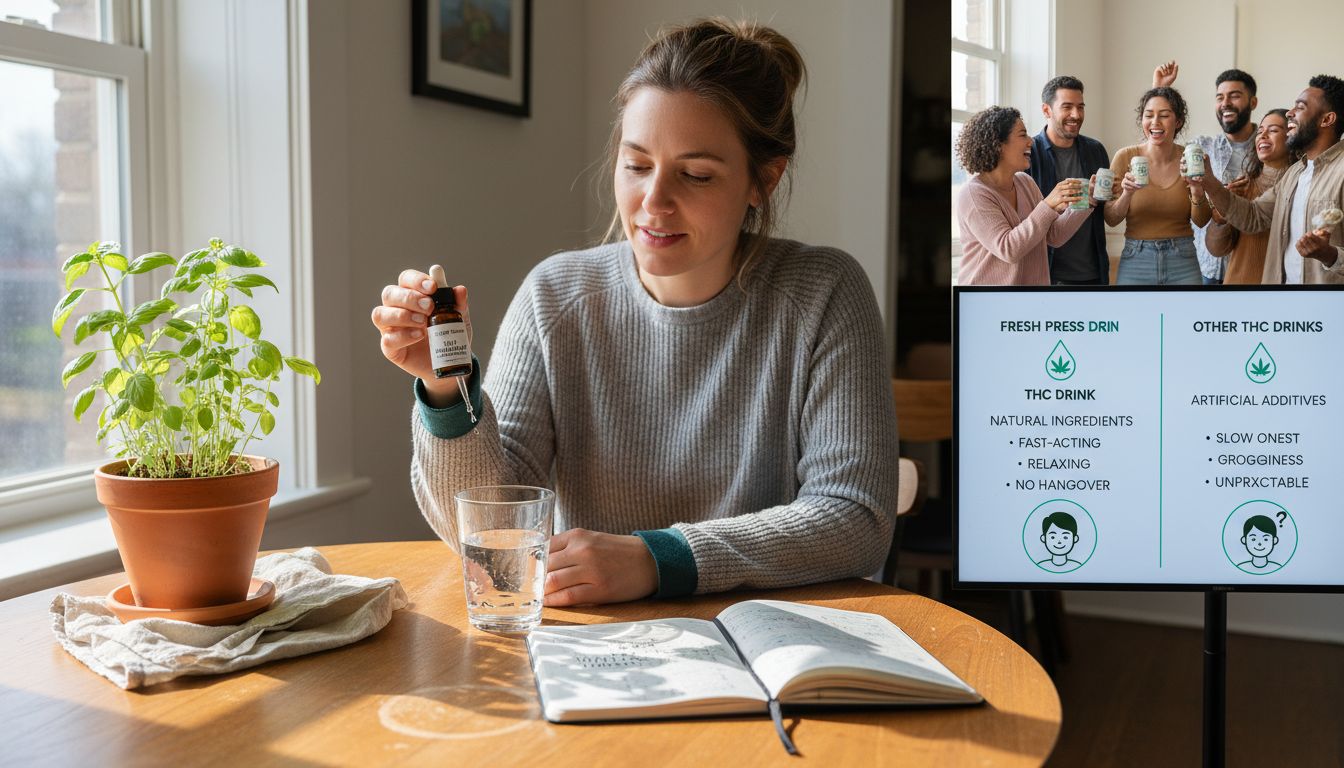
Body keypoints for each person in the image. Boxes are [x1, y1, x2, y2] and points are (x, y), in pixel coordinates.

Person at [370, 19, 898, 606]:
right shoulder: (554, 298)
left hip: (772, 642)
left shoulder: (823, 293)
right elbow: (495, 534)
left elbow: (855, 519)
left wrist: (660, 559)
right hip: (595, 643)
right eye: (637, 164)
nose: (653, 203)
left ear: (762, 181)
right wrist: (446, 391)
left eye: (695, 174)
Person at [1194, 75, 1344, 284]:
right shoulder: (1295, 174)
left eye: (1300, 108)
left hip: (1327, 307)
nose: (1290, 113)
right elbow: (1253, 216)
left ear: (1326, 119)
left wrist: (1329, 254)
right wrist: (1208, 181)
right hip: (1281, 304)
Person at [956, 105, 1092, 285]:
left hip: (1030, 299)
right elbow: (1008, 249)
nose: (1031, 141)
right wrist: (1048, 205)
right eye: (1022, 135)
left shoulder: (1025, 182)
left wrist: (1089, 199)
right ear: (998, 144)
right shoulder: (974, 194)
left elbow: (1054, 236)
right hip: (987, 302)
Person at [1153, 62, 1260, 285]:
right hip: (1205, 269)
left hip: (1251, 269)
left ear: (1253, 102)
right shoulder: (1201, 147)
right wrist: (1158, 90)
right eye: (1220, 97)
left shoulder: (1268, 147)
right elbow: (1158, 148)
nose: (1226, 103)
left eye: (1234, 96)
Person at [1103, 87, 1212, 284]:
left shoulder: (1190, 157)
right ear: (1142, 120)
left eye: (1164, 115)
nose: (1155, 122)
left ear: (1178, 121)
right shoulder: (1125, 157)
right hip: (1137, 257)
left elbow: (1202, 221)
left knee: (1186, 315)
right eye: (1148, 115)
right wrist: (1127, 194)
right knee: (1132, 316)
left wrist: (1196, 190)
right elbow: (1111, 218)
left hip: (1183, 258)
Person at [1028, 76, 1112, 285]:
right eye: (1067, 107)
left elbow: (1107, 207)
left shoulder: (1096, 150)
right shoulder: (1030, 153)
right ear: (1047, 110)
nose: (1076, 115)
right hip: (1047, 274)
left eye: (1080, 107)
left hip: (1093, 272)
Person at [1205, 110, 1294, 283]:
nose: (1263, 136)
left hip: (1284, 291)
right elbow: (1218, 250)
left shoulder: (1300, 184)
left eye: (1273, 130)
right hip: (1241, 288)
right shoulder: (1243, 185)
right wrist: (1219, 219)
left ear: (1292, 136)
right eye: (1260, 131)